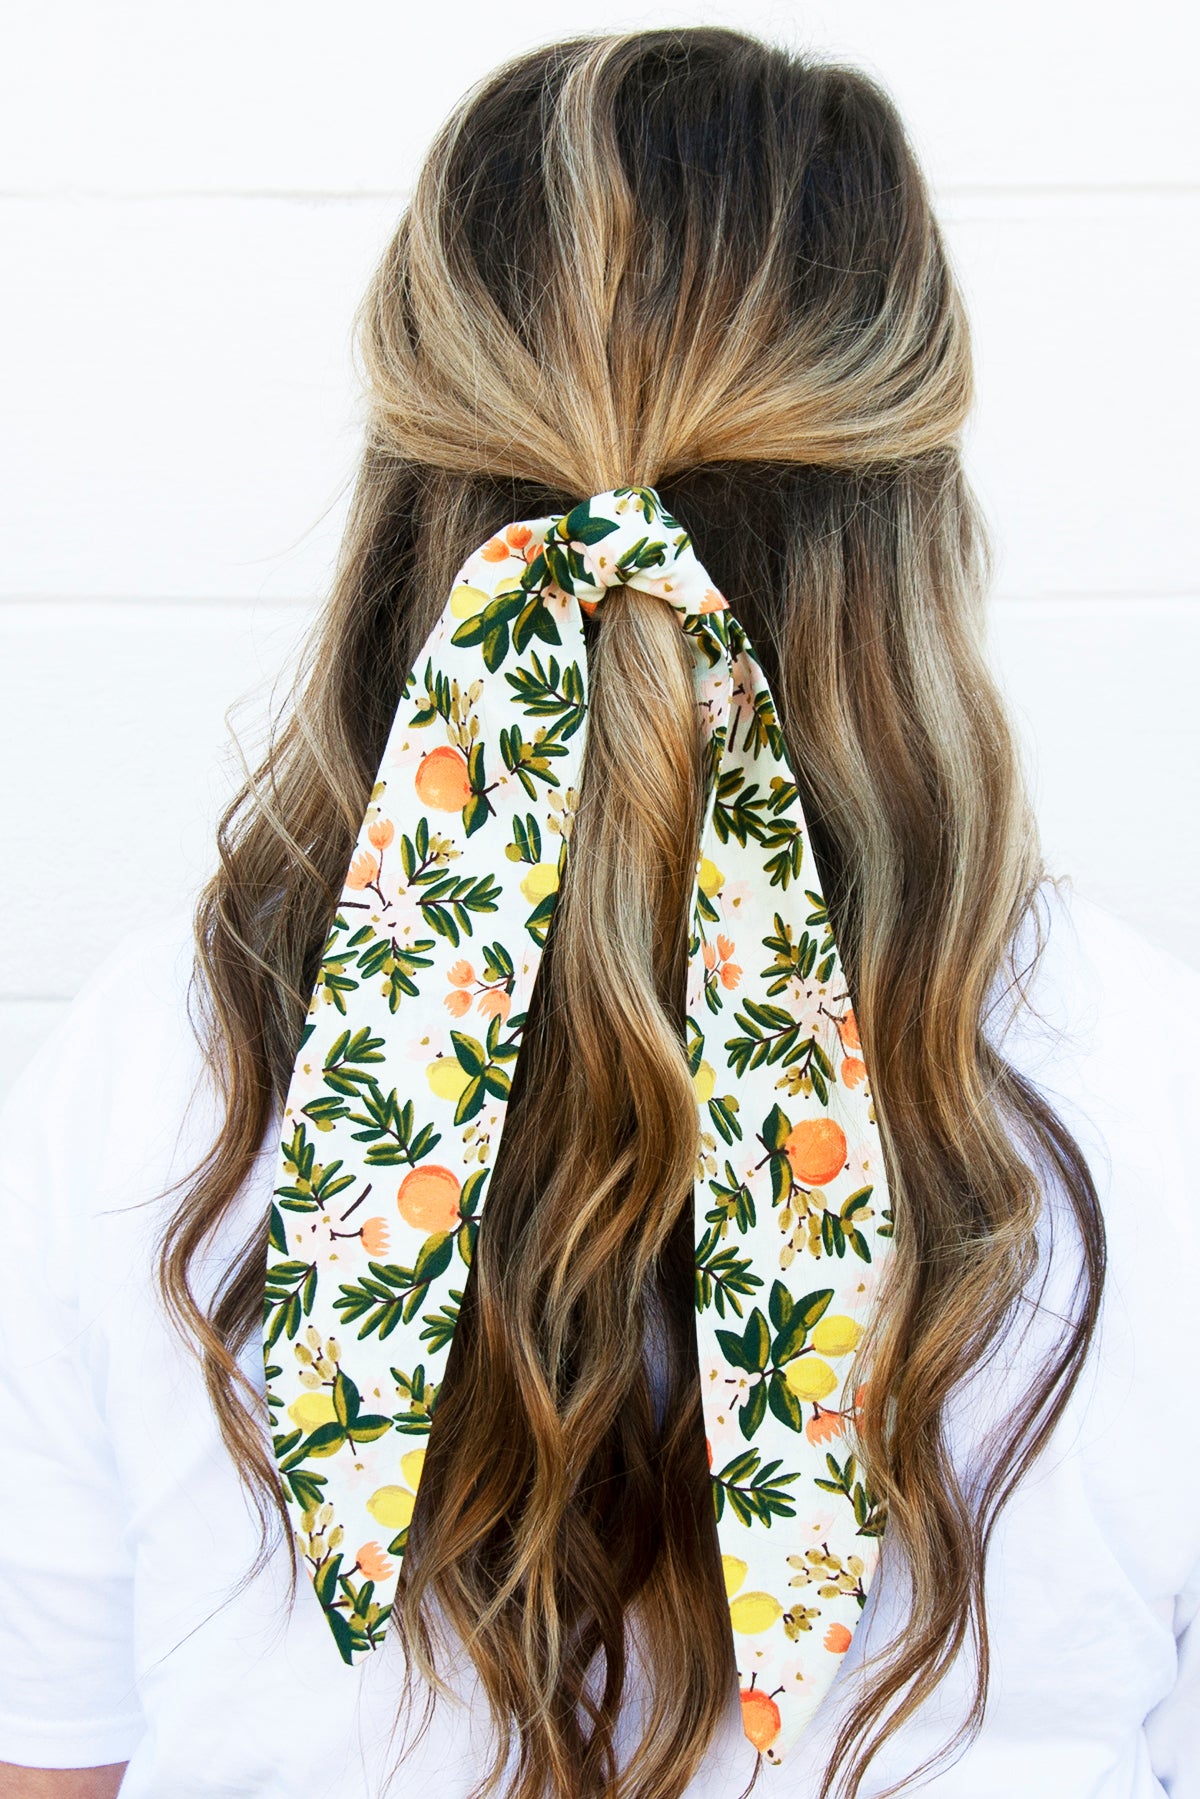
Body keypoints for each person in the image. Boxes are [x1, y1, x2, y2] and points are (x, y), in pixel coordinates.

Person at [1, 25, 1197, 1799]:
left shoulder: (148, 1077)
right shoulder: (1154, 1085)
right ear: (918, 502)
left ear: (413, 467)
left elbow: (57, 1761)